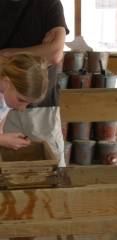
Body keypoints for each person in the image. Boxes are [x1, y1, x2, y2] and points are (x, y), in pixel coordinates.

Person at [0, 0, 69, 166]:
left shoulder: (49, 3)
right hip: (15, 94)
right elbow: (51, 53)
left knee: (50, 166)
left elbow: (54, 53)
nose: (23, 107)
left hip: (40, 105)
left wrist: (8, 54)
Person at [0, 53, 48, 150]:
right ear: (7, 82)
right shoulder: (7, 94)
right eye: (21, 100)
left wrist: (4, 138)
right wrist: (2, 140)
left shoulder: (6, 95)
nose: (22, 108)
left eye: (27, 103)